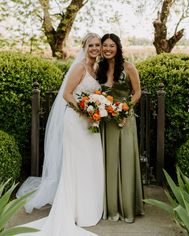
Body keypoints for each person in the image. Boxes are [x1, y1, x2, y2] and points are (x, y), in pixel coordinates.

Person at [18, 32, 104, 236]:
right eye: (91, 45)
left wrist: (96, 110)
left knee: (89, 163)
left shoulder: (97, 68)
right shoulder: (79, 67)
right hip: (75, 121)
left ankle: (89, 207)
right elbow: (67, 94)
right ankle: (73, 209)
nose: (94, 48)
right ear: (84, 47)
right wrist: (85, 110)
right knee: (75, 164)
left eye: (97, 45)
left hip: (91, 123)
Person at [97, 33, 144, 223]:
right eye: (105, 46)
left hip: (124, 119)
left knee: (125, 160)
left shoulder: (128, 67)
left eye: (111, 46)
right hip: (106, 121)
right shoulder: (98, 69)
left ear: (117, 47)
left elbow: (137, 91)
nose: (108, 49)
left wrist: (125, 110)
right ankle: (110, 207)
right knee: (108, 162)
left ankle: (127, 207)